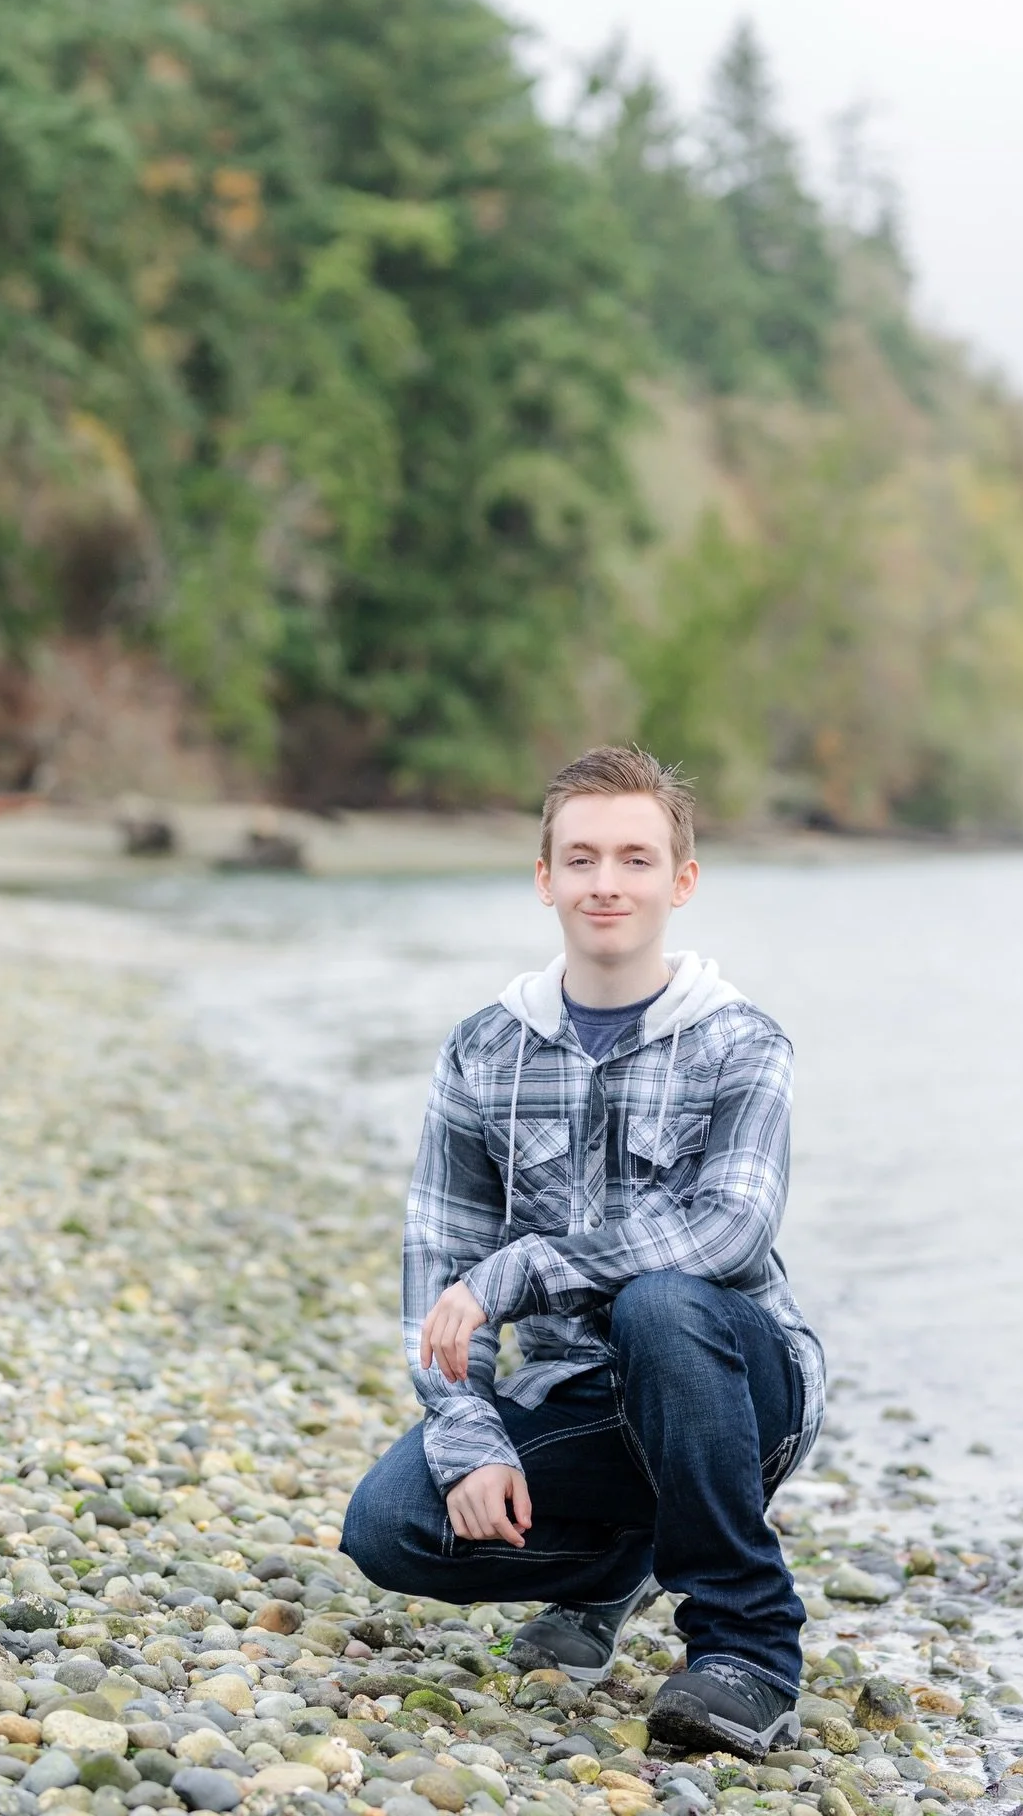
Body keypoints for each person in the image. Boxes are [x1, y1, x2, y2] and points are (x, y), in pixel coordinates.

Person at [341, 746, 825, 1760]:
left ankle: (749, 1645)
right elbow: (439, 1271)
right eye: (583, 858)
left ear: (681, 882)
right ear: (546, 879)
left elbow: (730, 1229)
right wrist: (468, 1432)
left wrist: (526, 1269)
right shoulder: (484, 1051)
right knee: (391, 1525)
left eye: (637, 860)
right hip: (579, 1395)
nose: (608, 883)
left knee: (659, 1302)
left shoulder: (743, 1043)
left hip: (741, 1382)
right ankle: (615, 1570)